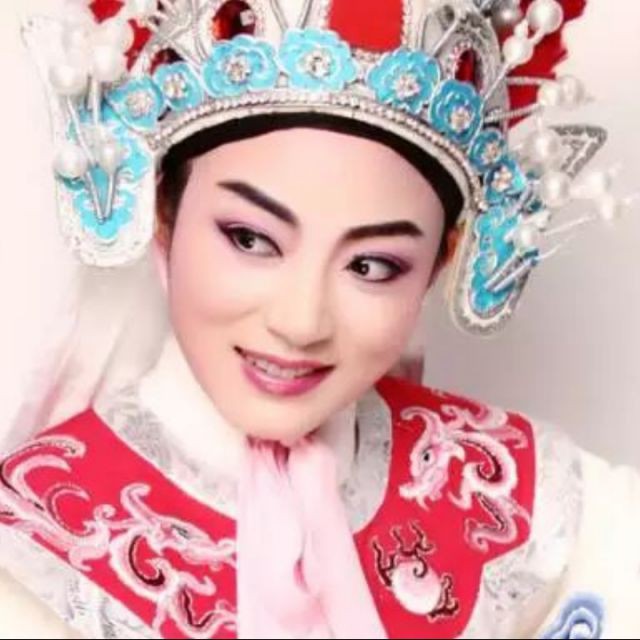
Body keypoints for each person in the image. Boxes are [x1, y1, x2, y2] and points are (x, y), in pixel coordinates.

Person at [0, 0, 638, 638]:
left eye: (372, 265)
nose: (301, 322)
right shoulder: (30, 560)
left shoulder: (551, 512)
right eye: (250, 239)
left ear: (441, 265)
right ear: (162, 214)